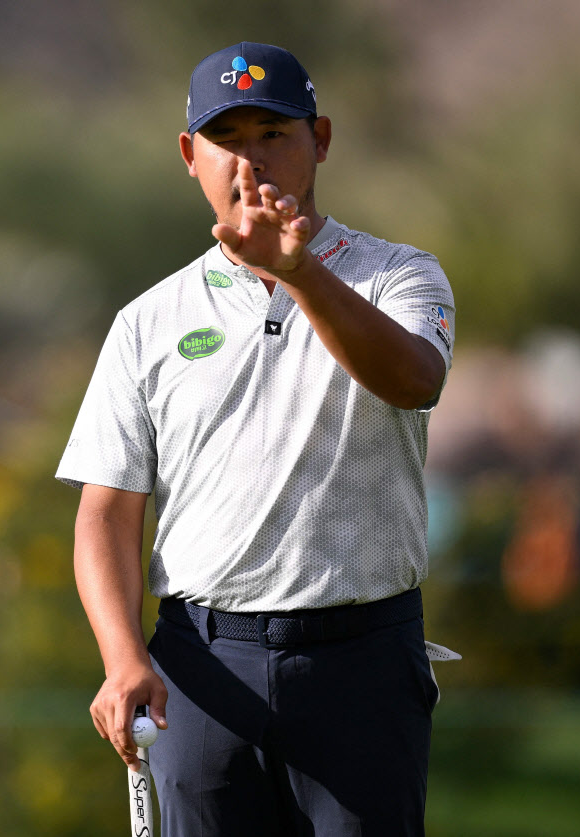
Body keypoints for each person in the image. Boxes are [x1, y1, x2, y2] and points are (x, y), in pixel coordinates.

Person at [56, 41, 457, 837]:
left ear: (321, 139)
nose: (251, 158)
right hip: (201, 668)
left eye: (273, 133)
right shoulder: (148, 321)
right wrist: (123, 655)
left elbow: (415, 380)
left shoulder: (400, 276)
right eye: (227, 138)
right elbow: (106, 511)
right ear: (190, 156)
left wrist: (302, 273)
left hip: (362, 662)